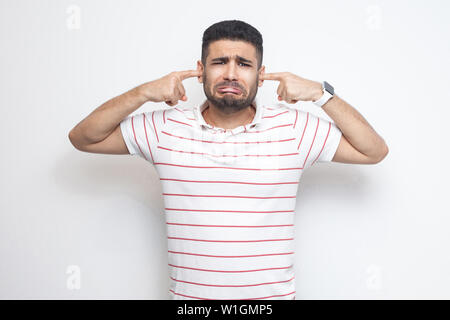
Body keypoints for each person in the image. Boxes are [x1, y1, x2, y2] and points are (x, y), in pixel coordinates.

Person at [68, 20, 388, 300]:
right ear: (200, 69)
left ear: (261, 75)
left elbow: (373, 151)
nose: (231, 74)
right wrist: (142, 92)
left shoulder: (294, 128)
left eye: (244, 64)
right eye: (220, 62)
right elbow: (83, 137)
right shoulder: (164, 127)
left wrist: (321, 94)